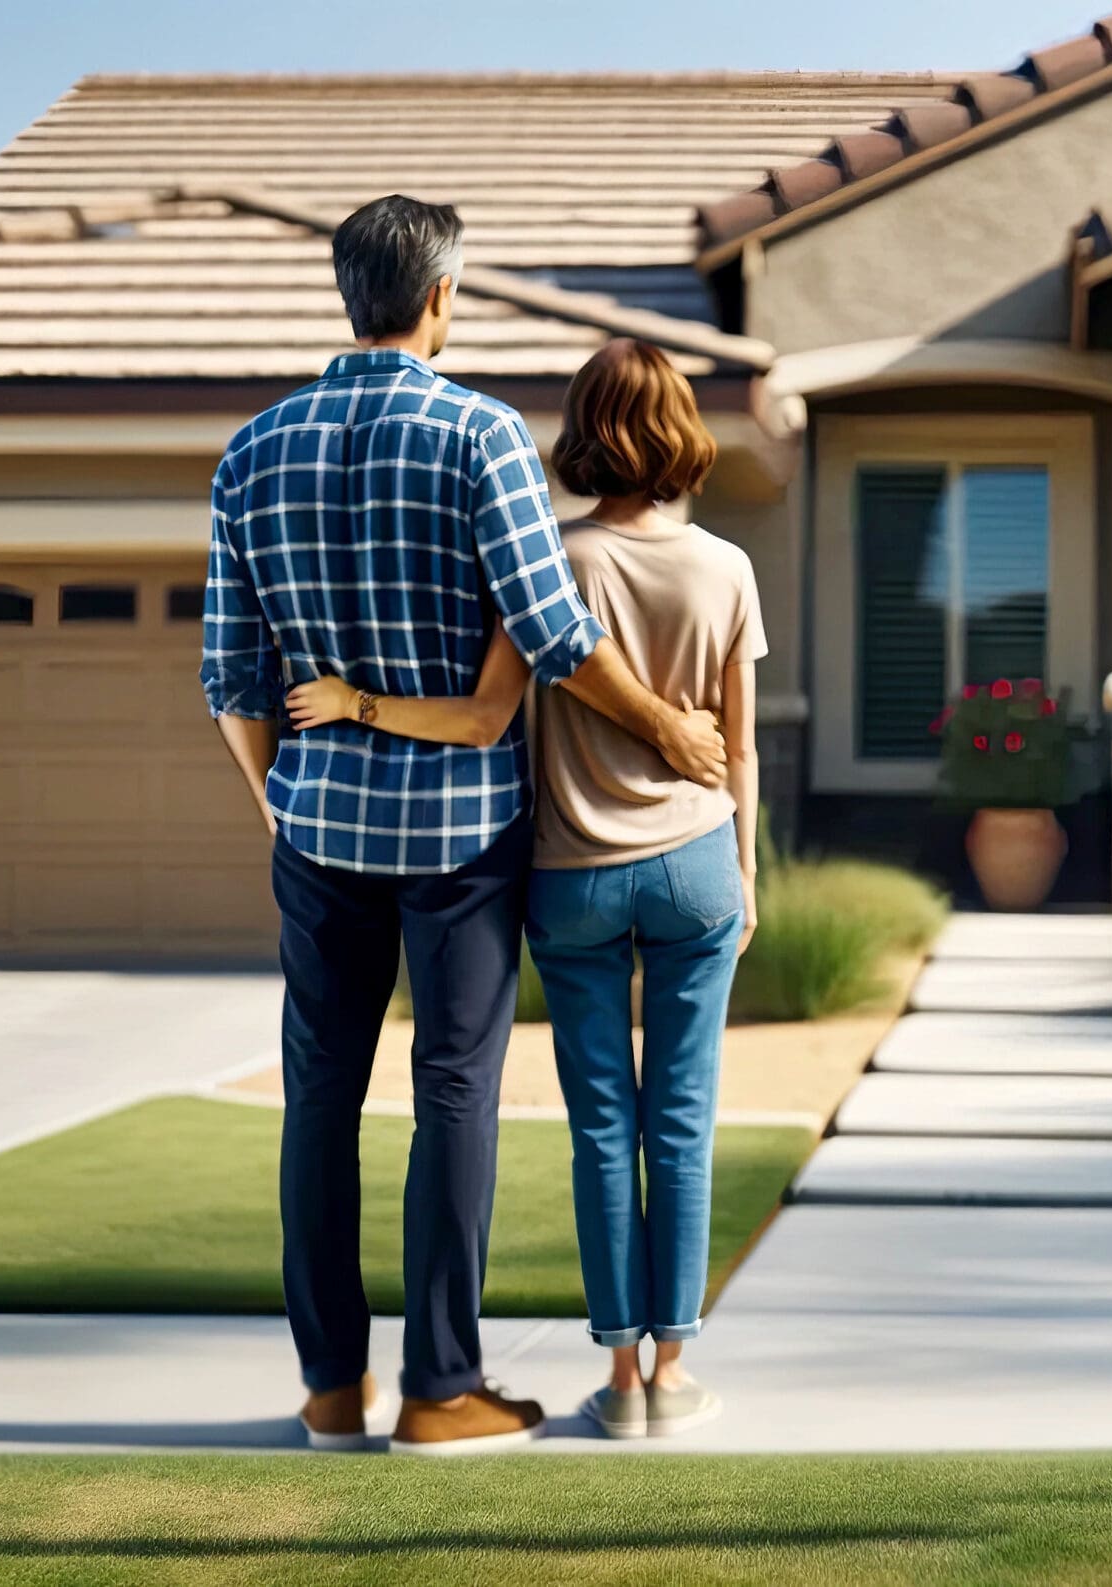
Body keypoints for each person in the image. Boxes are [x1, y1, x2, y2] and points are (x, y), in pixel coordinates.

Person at [202, 195, 727, 1456]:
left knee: (318, 1100)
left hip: (317, 832)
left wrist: (283, 794)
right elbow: (554, 640)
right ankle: (442, 1390)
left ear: (349, 296)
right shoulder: (480, 433)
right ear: (440, 297)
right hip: (456, 840)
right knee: (453, 1094)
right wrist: (669, 729)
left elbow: (230, 681)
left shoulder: (250, 451)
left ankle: (333, 1390)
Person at [287, 336, 762, 1440]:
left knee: (602, 1126)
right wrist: (742, 872)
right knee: (680, 1122)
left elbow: (508, 705)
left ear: (585, 436)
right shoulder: (728, 567)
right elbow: (736, 750)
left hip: (572, 875)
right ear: (685, 435)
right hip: (695, 864)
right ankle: (674, 1371)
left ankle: (620, 1382)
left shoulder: (550, 558)